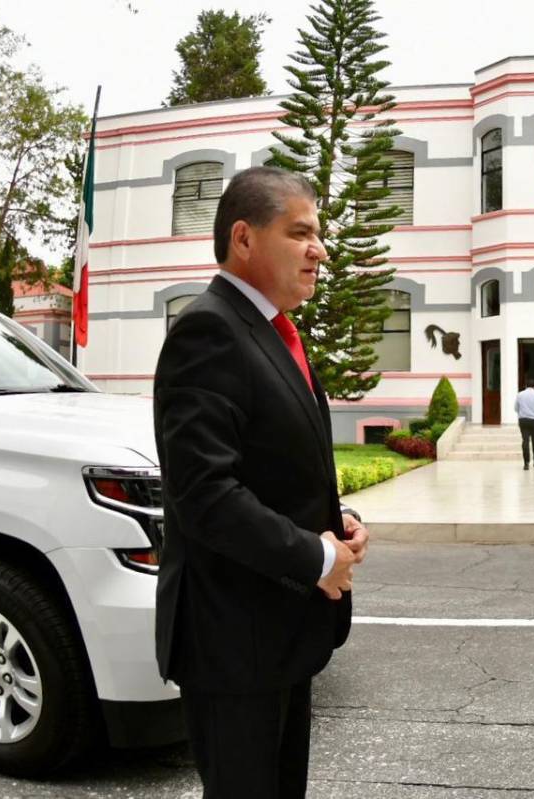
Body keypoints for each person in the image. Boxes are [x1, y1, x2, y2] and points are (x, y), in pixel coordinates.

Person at [153, 166, 370, 798]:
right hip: (233, 642)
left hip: (280, 633)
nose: (320, 249)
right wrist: (315, 556)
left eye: (319, 234)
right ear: (244, 239)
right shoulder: (210, 330)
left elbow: (269, 465)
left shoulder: (273, 331)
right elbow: (205, 495)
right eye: (300, 232)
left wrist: (337, 518)